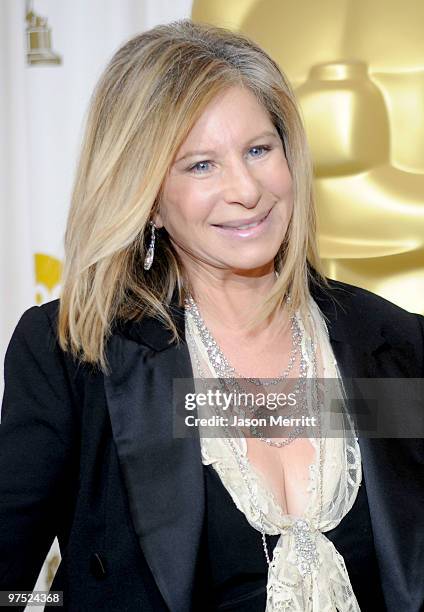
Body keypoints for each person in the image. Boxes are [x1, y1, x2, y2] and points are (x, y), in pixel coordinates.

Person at [0, 19, 423, 612]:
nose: (246, 189)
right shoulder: (77, 354)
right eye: (201, 165)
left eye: (258, 150)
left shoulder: (395, 344)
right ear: (146, 198)